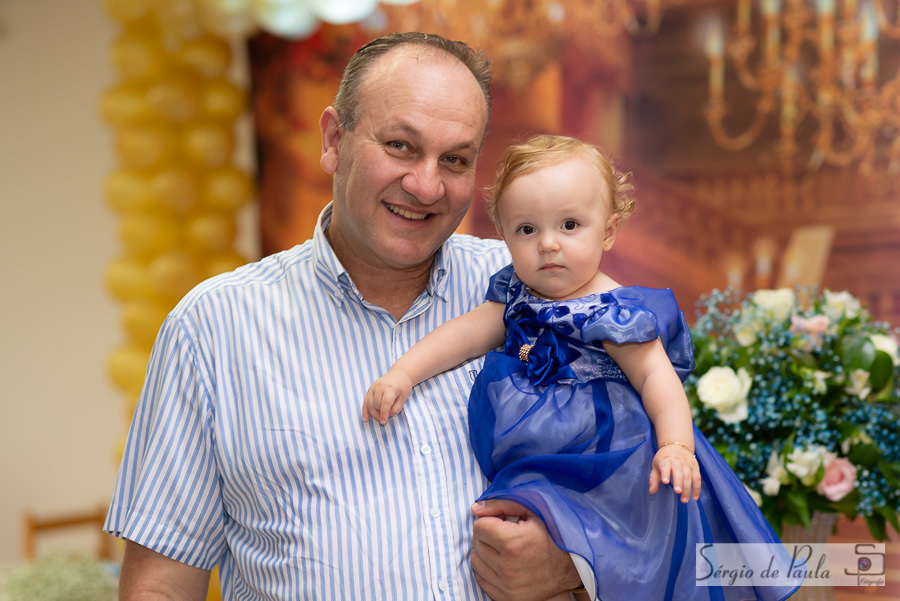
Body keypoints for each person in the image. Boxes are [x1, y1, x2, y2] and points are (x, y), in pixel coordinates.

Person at [105, 33, 590, 600]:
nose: (426, 185)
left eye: (454, 159)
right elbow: (161, 587)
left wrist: (571, 566)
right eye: (401, 146)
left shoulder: (537, 296)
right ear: (335, 139)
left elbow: (666, 509)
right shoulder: (212, 329)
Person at [363, 135, 801, 600]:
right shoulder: (516, 295)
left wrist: (675, 446)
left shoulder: (613, 310)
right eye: (527, 230)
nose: (548, 244)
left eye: (569, 225)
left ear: (607, 232)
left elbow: (657, 378)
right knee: (521, 532)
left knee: (613, 549)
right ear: (505, 236)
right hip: (539, 454)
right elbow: (464, 335)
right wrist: (403, 374)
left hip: (612, 457)